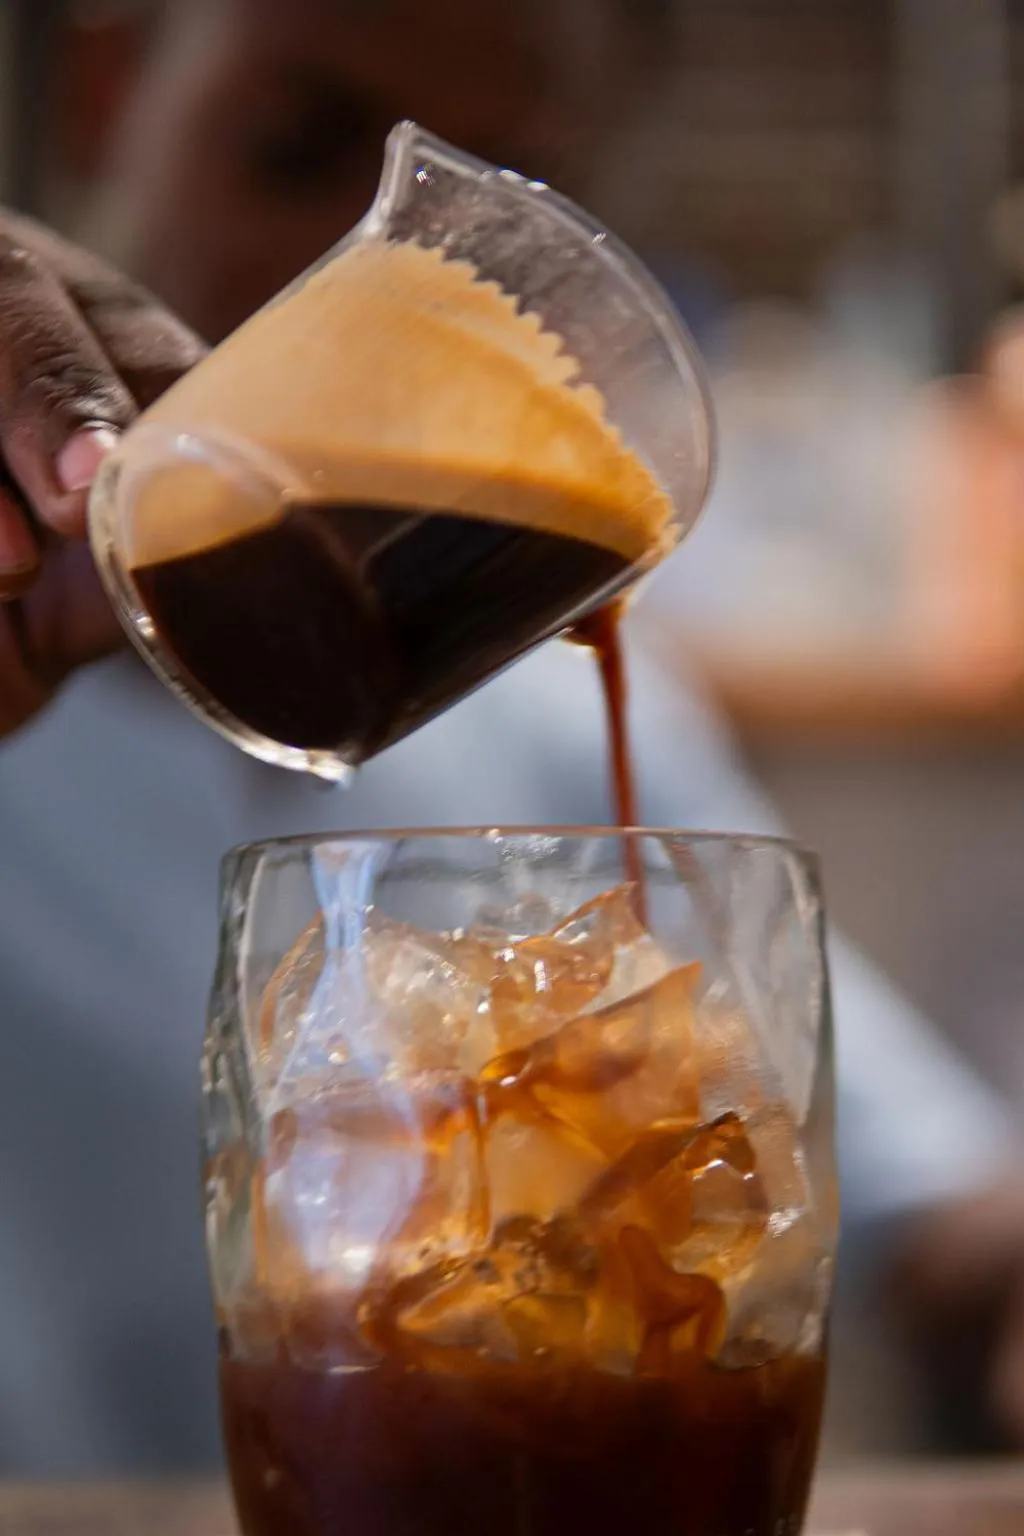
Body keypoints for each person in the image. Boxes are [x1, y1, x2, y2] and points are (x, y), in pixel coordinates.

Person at [0, 0, 1020, 1470]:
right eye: (296, 145)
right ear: (110, 92)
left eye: (481, 278)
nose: (375, 310)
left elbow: (930, 1208)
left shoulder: (566, 714)